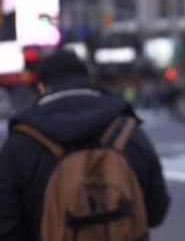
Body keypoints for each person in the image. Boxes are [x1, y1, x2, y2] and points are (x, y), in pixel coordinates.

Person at [0, 49, 170, 240]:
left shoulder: (22, 141)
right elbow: (156, 211)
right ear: (88, 79)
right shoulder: (127, 129)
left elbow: (7, 226)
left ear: (42, 87)